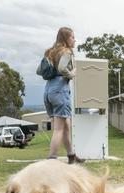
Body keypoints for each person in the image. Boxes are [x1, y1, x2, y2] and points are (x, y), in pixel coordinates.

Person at [39, 27, 84, 164]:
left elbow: (39, 70)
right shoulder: (67, 52)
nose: (74, 40)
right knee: (59, 128)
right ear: (66, 39)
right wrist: (72, 73)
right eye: (72, 37)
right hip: (60, 90)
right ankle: (51, 160)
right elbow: (62, 68)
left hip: (48, 91)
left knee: (66, 125)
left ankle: (71, 156)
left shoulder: (50, 52)